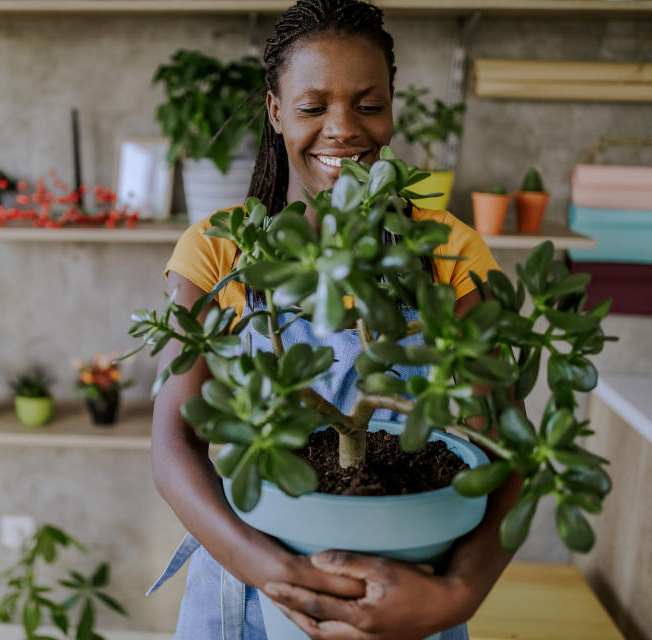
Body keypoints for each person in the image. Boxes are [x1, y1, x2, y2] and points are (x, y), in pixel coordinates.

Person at [147, 1, 523, 639]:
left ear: (393, 108)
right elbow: (172, 444)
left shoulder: (445, 251)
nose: (343, 130)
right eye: (312, 106)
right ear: (275, 111)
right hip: (248, 586)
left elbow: (505, 449)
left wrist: (456, 597)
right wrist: (270, 571)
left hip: (408, 593)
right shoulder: (223, 251)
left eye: (368, 105)